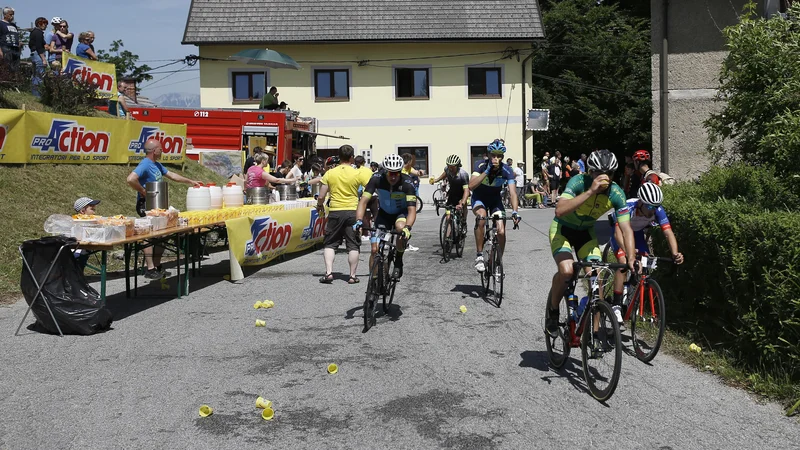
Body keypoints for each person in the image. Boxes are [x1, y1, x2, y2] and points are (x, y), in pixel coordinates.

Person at [545, 149, 637, 335]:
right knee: (567, 271)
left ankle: (594, 335)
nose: (604, 177)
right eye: (598, 173)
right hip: (562, 230)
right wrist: (590, 191)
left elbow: (626, 228)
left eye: (609, 174)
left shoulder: (616, 194)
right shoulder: (578, 182)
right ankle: (553, 311)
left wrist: (631, 257)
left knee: (597, 278)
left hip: (586, 234)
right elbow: (559, 210)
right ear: (590, 172)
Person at [607, 182, 684, 323]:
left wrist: (675, 253)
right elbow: (619, 234)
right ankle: (616, 304)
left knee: (645, 262)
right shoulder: (628, 206)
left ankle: (631, 290)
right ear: (641, 202)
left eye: (655, 207)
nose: (652, 211)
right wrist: (628, 252)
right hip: (620, 232)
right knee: (624, 262)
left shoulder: (657, 210)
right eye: (649, 206)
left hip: (636, 234)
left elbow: (668, 232)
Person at [126, 138, 200, 280]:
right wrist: (143, 191)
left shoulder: (157, 165)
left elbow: (172, 175)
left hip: (158, 205)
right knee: (148, 234)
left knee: (163, 234)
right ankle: (150, 268)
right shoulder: (145, 164)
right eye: (160, 149)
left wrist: (190, 181)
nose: (162, 151)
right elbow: (131, 179)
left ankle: (157, 265)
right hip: (146, 204)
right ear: (154, 151)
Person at [354, 153, 417, 279]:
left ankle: (398, 260)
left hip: (401, 213)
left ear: (400, 171)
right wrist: (359, 221)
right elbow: (363, 202)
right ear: (385, 171)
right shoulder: (376, 178)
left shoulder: (407, 183)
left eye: (396, 173)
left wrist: (407, 227)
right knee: (374, 250)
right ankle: (374, 281)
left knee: (400, 228)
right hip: (383, 214)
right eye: (390, 173)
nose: (393, 177)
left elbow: (411, 210)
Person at [316, 145, 372, 284]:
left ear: (339, 157)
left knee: (330, 243)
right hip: (353, 211)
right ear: (352, 157)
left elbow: (321, 195)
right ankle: (352, 276)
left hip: (335, 211)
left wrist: (319, 206)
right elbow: (370, 188)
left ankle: (329, 273)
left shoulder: (330, 173)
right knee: (353, 244)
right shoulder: (357, 173)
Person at [468, 140, 520, 273]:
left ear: (502, 157)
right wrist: (487, 171)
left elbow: (513, 193)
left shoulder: (507, 170)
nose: (495, 158)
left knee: (501, 231)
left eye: (499, 155)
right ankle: (479, 255)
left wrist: (515, 211)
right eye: (493, 155)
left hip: (495, 201)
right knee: (481, 217)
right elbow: (471, 185)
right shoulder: (479, 165)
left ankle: (497, 261)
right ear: (489, 155)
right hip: (479, 198)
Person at [431, 154, 470, 229]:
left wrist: (462, 203)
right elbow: (444, 174)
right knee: (448, 217)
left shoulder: (463, 174)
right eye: (449, 166)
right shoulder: (447, 169)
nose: (450, 168)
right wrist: (436, 180)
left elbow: (466, 190)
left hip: (462, 194)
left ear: (457, 166)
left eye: (452, 167)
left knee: (463, 205)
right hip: (452, 193)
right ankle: (448, 237)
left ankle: (464, 222)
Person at [72, 197, 101, 269]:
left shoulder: (92, 222)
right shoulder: (77, 222)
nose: (94, 212)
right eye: (92, 209)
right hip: (76, 250)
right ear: (82, 211)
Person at [28, 17, 48, 97]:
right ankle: (37, 95)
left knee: (35, 75)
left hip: (33, 54)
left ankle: (34, 94)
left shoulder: (34, 32)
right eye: (44, 24)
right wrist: (43, 59)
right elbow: (39, 47)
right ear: (40, 24)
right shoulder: (38, 33)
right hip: (38, 55)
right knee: (40, 75)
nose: (46, 26)